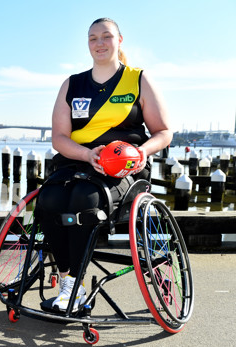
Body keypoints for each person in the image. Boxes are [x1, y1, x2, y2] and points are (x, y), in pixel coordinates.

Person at [39, 18, 173, 312]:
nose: (99, 43)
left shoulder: (138, 79)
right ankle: (68, 282)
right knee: (48, 200)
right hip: (78, 161)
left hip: (122, 168)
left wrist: (141, 152)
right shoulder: (72, 84)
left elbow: (164, 132)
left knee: (83, 201)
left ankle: (76, 283)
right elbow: (59, 138)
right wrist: (88, 155)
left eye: (106, 37)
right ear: (87, 44)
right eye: (93, 38)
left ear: (119, 40)